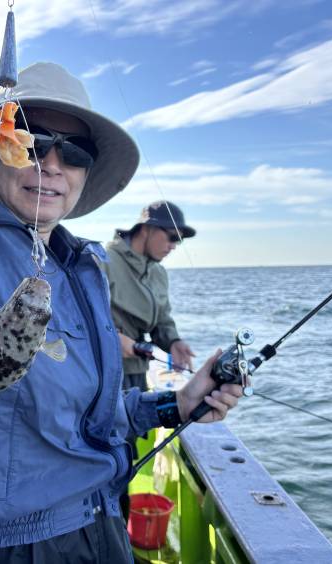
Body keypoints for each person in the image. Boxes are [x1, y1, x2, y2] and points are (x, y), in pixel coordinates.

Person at [0, 1, 243, 562]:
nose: (52, 163)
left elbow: (89, 418)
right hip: (3, 550)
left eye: (74, 152)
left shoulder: (81, 268)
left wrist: (175, 405)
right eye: (29, 138)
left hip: (102, 527)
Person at [100, 201, 197, 521]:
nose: (174, 246)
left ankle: (119, 525)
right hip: (104, 376)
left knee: (125, 455)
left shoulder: (158, 273)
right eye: (171, 237)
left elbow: (162, 321)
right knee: (105, 456)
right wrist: (114, 339)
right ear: (147, 228)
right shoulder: (104, 261)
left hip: (136, 376)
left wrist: (175, 342)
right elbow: (81, 319)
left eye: (179, 240)